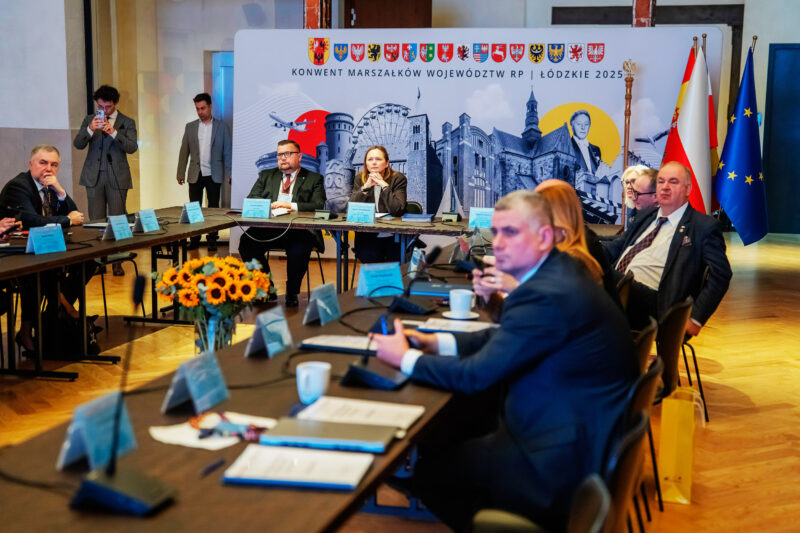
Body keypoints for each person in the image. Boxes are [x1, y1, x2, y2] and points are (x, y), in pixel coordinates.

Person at [372, 190, 638, 532]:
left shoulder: (545, 293)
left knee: (429, 473)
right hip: (572, 430)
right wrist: (437, 342)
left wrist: (405, 358)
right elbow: (504, 338)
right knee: (451, 434)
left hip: (553, 461)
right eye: (496, 232)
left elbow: (476, 376)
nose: (498, 243)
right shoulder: (556, 274)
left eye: (511, 232)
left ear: (544, 237)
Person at [603, 161, 732, 335]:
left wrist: (696, 318)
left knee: (596, 271)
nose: (665, 187)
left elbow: (721, 274)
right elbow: (617, 245)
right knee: (586, 263)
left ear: (687, 189)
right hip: (619, 292)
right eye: (661, 181)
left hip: (656, 304)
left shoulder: (702, 226)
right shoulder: (647, 216)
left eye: (673, 182)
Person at [0, 145, 97, 356]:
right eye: (43, 163)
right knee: (41, 270)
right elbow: (31, 219)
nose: (48, 169)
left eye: (54, 165)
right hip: (16, 253)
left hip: (46, 246)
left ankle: (54, 314)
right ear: (31, 164)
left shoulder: (50, 186)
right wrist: (66, 220)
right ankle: (62, 312)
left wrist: (60, 191)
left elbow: (76, 215)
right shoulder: (18, 186)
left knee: (89, 260)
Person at [238, 139, 326, 307]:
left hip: (299, 230)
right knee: (247, 242)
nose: (282, 158)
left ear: (299, 156)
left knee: (299, 249)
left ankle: (292, 292)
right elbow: (252, 198)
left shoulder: (314, 178)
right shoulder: (266, 175)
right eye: (280, 155)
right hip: (270, 228)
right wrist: (268, 205)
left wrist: (290, 206)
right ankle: (266, 289)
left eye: (287, 154)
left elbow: (318, 205)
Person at [73, 85, 137, 276]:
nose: (104, 110)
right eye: (100, 106)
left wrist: (114, 132)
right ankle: (98, 262)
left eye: (108, 107)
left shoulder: (127, 122)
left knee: (117, 218)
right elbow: (78, 144)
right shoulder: (89, 120)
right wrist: (90, 129)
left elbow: (132, 147)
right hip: (93, 176)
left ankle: (117, 261)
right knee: (96, 220)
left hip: (117, 176)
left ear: (115, 103)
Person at [177, 93, 232, 253]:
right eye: (197, 109)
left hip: (214, 173)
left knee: (213, 208)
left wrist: (230, 172)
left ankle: (212, 240)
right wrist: (180, 173)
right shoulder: (190, 127)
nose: (200, 112)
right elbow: (184, 151)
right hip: (195, 173)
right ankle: (194, 239)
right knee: (194, 208)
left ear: (210, 107)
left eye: (203, 108)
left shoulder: (222, 127)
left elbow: (227, 152)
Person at [348, 145, 407, 263]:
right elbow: (352, 208)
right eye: (370, 159)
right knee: (368, 256)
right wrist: (365, 187)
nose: (374, 162)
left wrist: (383, 184)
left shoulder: (398, 179)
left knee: (396, 258)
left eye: (378, 159)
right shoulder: (360, 178)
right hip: (368, 235)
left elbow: (397, 210)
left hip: (393, 235)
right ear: (366, 164)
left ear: (387, 163)